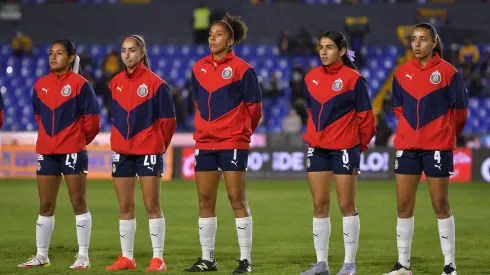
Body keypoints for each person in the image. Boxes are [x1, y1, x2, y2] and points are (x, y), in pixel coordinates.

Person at [383, 23, 467, 275]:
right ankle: (403, 265)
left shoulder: (449, 73)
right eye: (413, 39)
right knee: (403, 205)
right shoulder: (400, 73)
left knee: (440, 204)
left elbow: (460, 113)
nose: (417, 44)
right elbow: (398, 109)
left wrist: (443, 134)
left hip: (437, 147)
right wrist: (411, 132)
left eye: (423, 40)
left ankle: (450, 265)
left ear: (434, 43)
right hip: (407, 147)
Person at [184, 13, 262, 274]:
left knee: (235, 198)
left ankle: (245, 260)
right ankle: (208, 259)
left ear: (230, 41)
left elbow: (255, 109)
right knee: (205, 199)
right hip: (205, 142)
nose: (212, 39)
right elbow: (197, 103)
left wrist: (239, 132)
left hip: (233, 142)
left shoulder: (243, 69)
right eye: (210, 35)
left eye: (218, 35)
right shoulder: (198, 67)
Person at [18, 39, 100, 269]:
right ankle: (41, 256)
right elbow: (39, 116)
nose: (53, 57)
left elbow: (92, 121)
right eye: (51, 53)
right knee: (45, 204)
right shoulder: (40, 84)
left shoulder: (81, 85)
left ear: (71, 58)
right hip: (47, 152)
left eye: (60, 53)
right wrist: (49, 140)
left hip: (73, 151)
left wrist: (77, 141)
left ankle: (83, 256)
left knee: (78, 202)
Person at [299, 31, 376, 275]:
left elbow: (367, 119)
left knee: (346, 204)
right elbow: (312, 112)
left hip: (345, 148)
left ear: (341, 51)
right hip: (318, 148)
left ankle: (349, 264)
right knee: (319, 204)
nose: (323, 52)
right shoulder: (310, 78)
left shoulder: (354, 79)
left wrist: (357, 147)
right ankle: (321, 264)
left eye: (329, 47)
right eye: (321, 47)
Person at [105, 34, 176, 272]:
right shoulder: (114, 82)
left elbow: (168, 122)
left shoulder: (157, 84)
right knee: (125, 207)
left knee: (151, 205)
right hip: (122, 152)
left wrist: (157, 146)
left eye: (132, 50)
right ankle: (127, 258)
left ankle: (158, 259)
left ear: (142, 53)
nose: (127, 55)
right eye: (123, 50)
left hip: (148, 151)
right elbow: (114, 116)